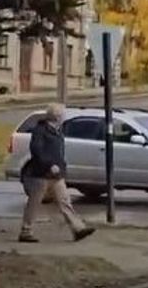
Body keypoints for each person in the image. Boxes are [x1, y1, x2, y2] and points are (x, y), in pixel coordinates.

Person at [20, 103, 95, 243]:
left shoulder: (58, 131)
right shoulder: (40, 131)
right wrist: (49, 164)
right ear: (56, 116)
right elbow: (36, 151)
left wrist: (61, 166)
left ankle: (78, 229)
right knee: (34, 204)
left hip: (56, 175)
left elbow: (59, 153)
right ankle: (26, 231)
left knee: (65, 202)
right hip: (40, 175)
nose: (64, 117)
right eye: (63, 114)